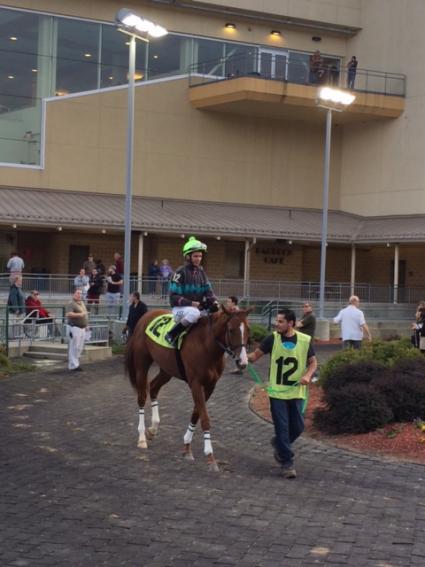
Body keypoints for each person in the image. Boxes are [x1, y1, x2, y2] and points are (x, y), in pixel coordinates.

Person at [247, 308, 317, 479]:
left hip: (297, 391)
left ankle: (279, 444)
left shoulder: (304, 340)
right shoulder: (272, 338)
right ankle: (287, 462)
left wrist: (308, 375)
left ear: (291, 323)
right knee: (282, 427)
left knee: (298, 427)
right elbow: (255, 356)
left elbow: (313, 363)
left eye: (280, 321)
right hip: (277, 392)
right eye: (277, 321)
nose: (276, 324)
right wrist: (242, 356)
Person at [165, 236, 218, 345]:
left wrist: (214, 302)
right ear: (188, 256)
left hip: (196, 308)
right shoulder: (179, 272)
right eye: (195, 256)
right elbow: (173, 297)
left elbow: (209, 292)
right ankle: (172, 334)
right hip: (180, 309)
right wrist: (191, 303)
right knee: (194, 312)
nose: (198, 259)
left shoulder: (202, 273)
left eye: (200, 256)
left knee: (216, 311)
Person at [65, 288, 89, 372]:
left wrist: (86, 325)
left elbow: (85, 314)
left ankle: (76, 363)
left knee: (79, 347)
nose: (79, 295)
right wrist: (80, 314)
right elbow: (68, 314)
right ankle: (73, 365)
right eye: (77, 293)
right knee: (74, 346)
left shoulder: (82, 303)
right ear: (74, 294)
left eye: (80, 293)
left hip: (82, 328)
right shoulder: (71, 303)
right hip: (74, 327)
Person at [225, 296, 243, 375]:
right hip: (233, 333)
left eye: (229, 302)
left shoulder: (235, 310)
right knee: (234, 351)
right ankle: (239, 368)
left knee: (236, 350)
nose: (227, 303)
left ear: (233, 303)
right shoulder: (233, 310)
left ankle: (239, 368)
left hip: (236, 334)